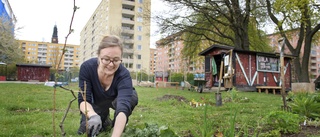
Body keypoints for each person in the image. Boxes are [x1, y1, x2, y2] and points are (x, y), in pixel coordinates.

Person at [77, 35, 138, 136]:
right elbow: (83, 100)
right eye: (106, 59)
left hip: (117, 100)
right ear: (98, 56)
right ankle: (104, 119)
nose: (111, 64)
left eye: (116, 60)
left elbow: (123, 107)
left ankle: (117, 125)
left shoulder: (123, 75)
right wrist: (93, 116)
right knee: (85, 130)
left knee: (131, 98)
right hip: (98, 102)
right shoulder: (87, 68)